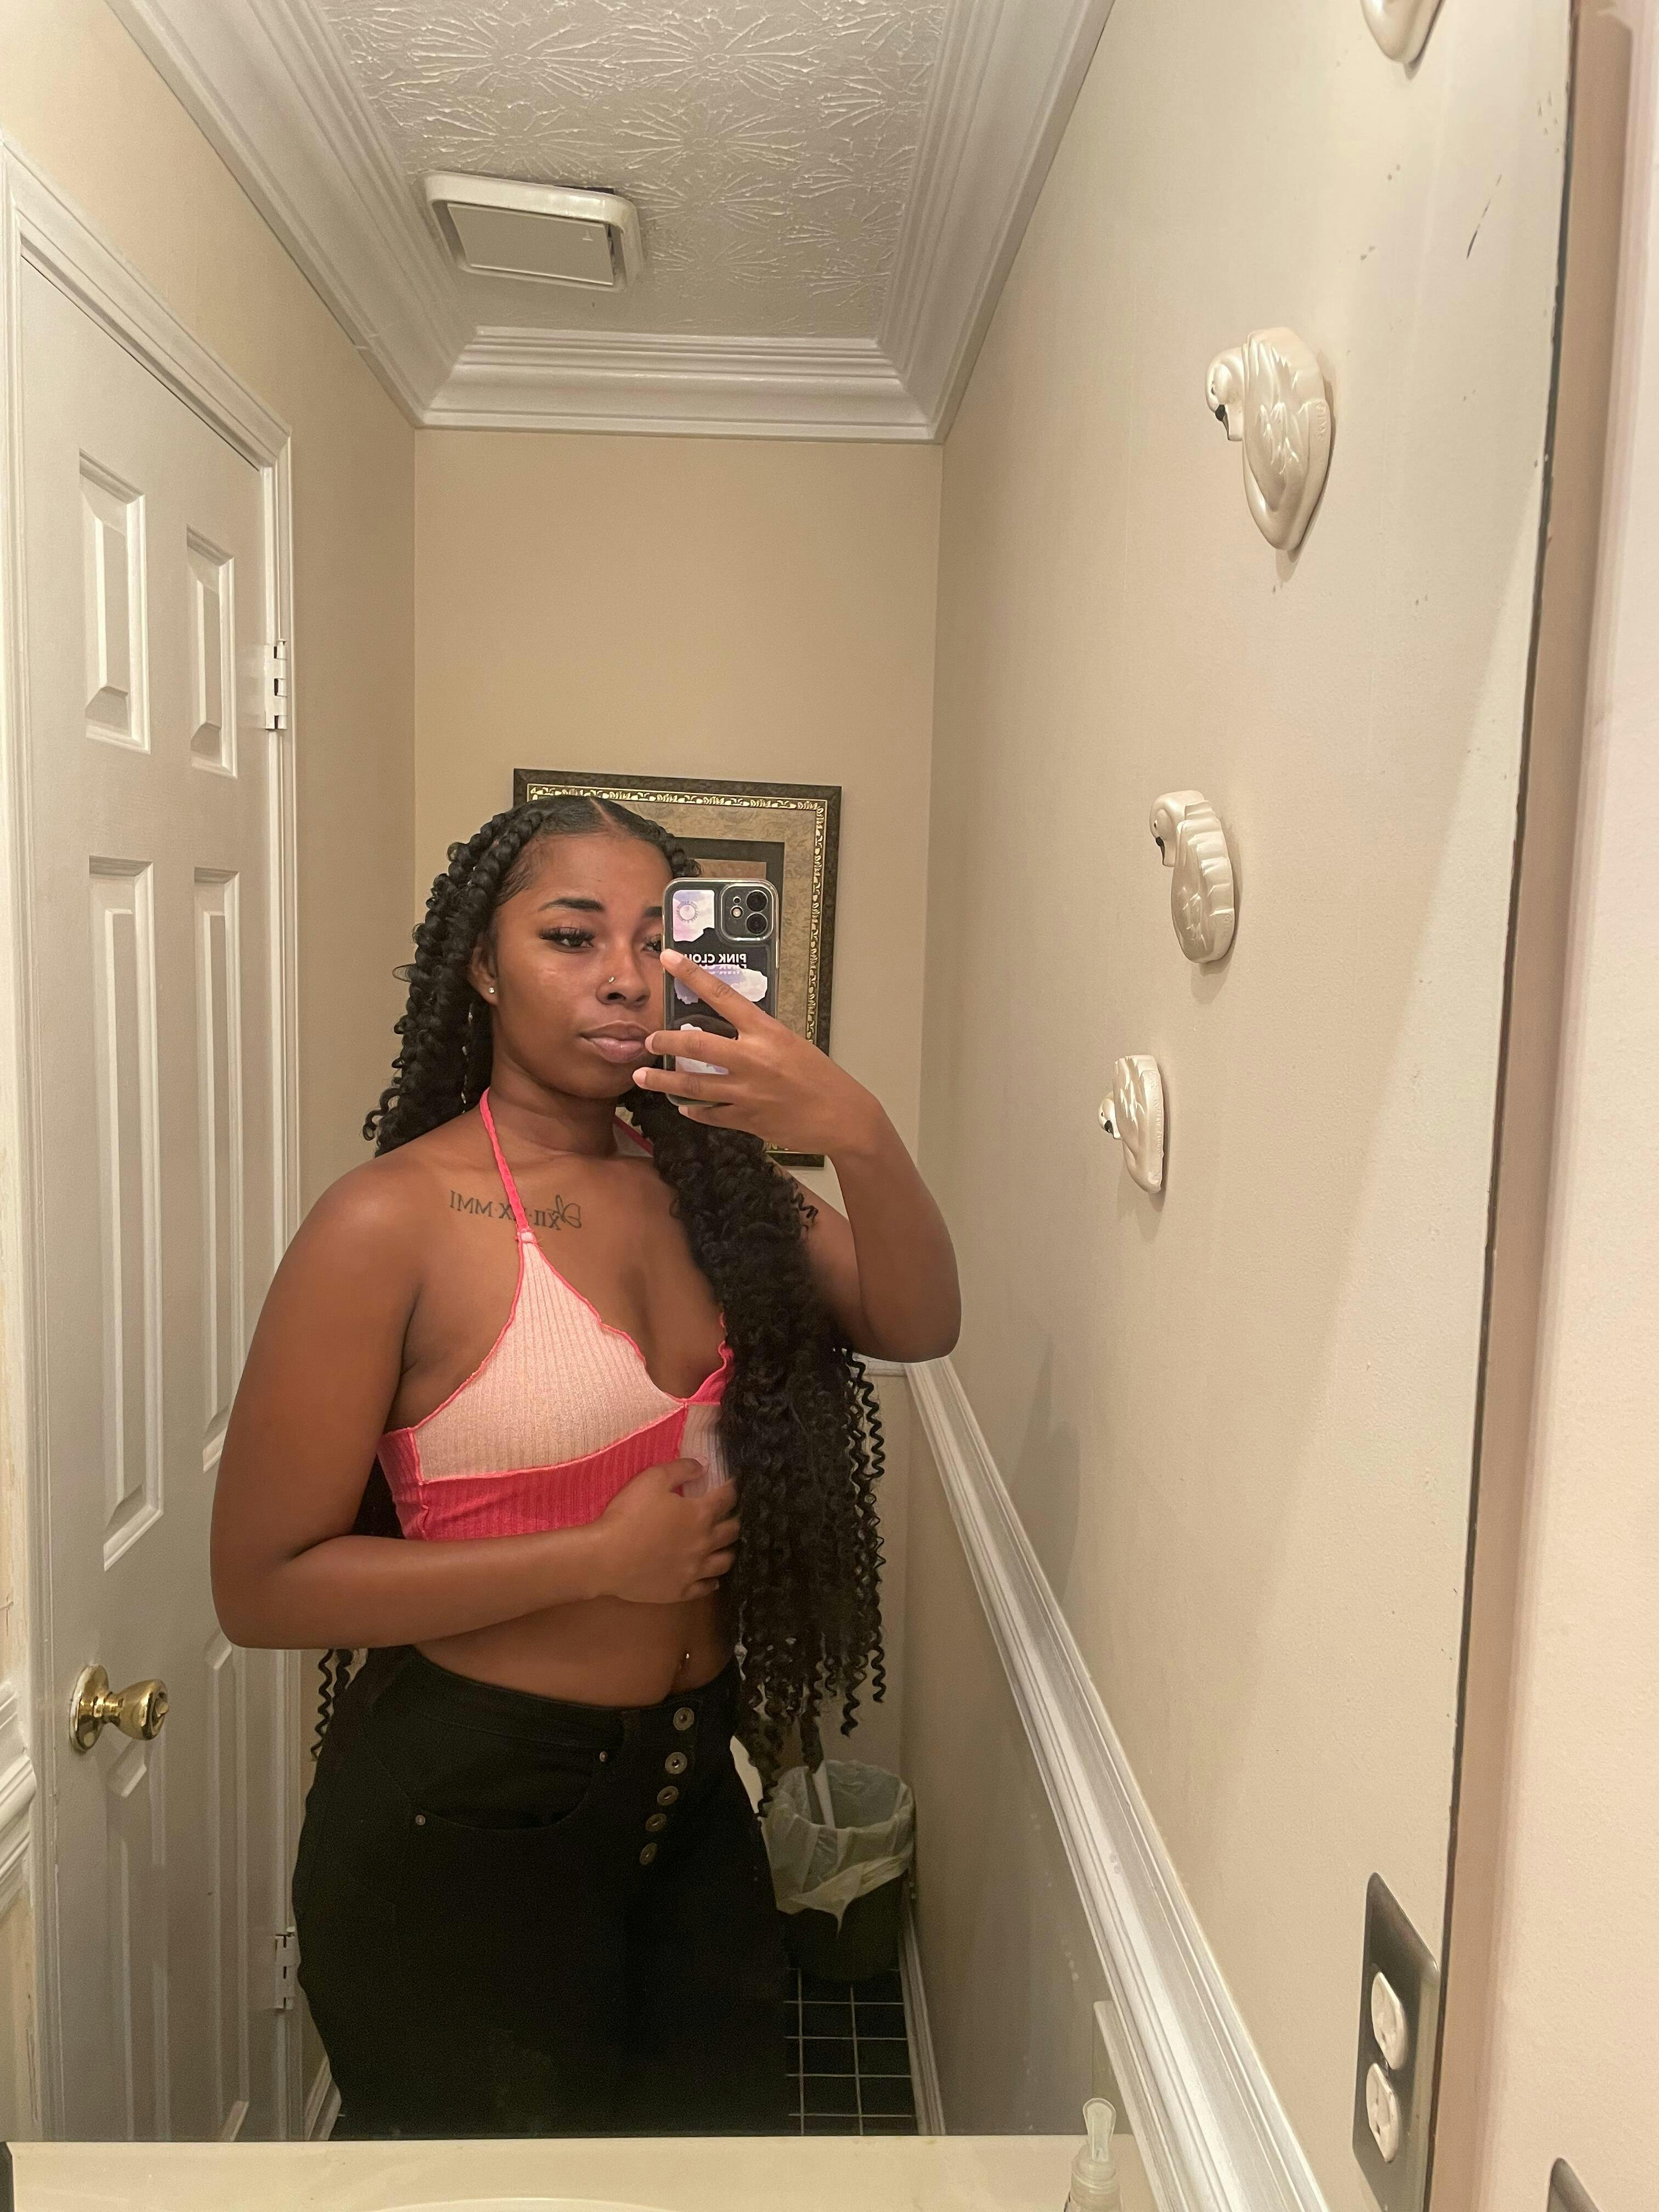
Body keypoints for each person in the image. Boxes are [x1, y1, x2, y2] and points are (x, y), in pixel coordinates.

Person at [210, 794, 960, 2140]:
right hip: (463, 1821)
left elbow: (917, 1321)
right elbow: (262, 1588)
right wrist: (599, 1561)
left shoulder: (714, 1190)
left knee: (715, 2170)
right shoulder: (389, 1221)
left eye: (654, 939)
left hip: (691, 1796)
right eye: (571, 936)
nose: (624, 976)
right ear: (484, 967)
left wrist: (857, 1127)